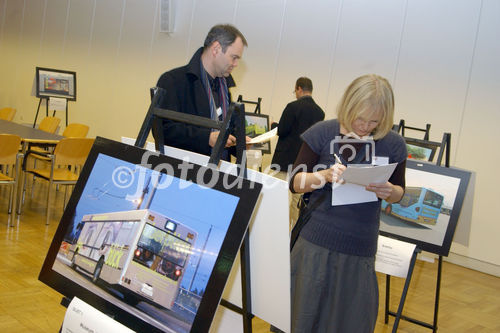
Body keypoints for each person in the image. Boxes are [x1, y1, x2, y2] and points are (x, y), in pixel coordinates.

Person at [289, 74, 407, 332]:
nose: (365, 127)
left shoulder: (394, 144)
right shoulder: (322, 132)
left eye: (374, 121)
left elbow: (400, 192)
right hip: (316, 246)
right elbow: (295, 183)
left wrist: (389, 191)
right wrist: (323, 176)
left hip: (360, 250)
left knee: (350, 322)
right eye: (360, 119)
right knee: (304, 320)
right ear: (349, 107)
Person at [154, 24, 248, 158]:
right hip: (183, 171)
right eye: (234, 57)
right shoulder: (173, 81)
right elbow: (164, 130)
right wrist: (206, 138)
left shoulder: (224, 88)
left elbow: (226, 133)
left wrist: (238, 142)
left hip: (218, 173)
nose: (236, 64)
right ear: (216, 49)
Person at [271, 77, 325, 227]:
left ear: (299, 88)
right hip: (304, 163)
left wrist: (273, 125)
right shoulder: (320, 113)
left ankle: (277, 229)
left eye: (295, 90)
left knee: (280, 197)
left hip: (285, 159)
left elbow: (282, 130)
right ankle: (291, 232)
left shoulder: (292, 107)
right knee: (295, 202)